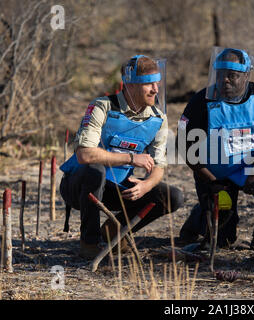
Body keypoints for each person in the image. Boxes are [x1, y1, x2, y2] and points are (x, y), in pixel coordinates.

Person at [59, 55, 183, 259]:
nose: (155, 89)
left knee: (172, 197)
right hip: (80, 185)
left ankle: (115, 232)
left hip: (116, 187)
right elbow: (84, 154)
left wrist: (146, 185)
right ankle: (89, 243)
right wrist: (132, 159)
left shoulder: (158, 119)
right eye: (148, 84)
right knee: (95, 170)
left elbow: (159, 165)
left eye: (157, 83)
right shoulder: (102, 107)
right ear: (130, 85)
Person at [177, 47, 254, 251]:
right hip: (215, 173)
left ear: (246, 76)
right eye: (220, 75)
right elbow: (184, 145)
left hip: (252, 168)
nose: (225, 80)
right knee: (223, 240)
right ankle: (199, 216)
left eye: (232, 76)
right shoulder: (202, 100)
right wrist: (211, 180)